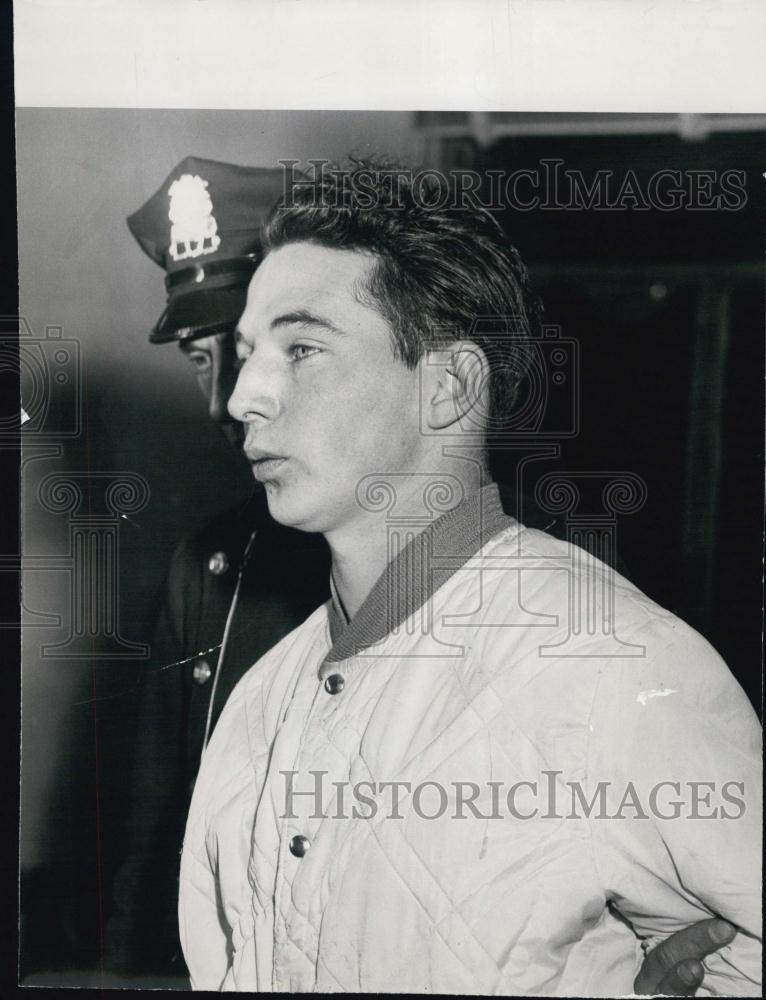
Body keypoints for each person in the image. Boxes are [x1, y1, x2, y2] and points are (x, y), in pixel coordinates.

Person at [178, 159, 761, 994]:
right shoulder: (259, 703)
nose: (244, 398)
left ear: (448, 387)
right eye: (246, 353)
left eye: (302, 348)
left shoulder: (620, 670)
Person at [105, 157, 330, 978]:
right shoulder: (210, 565)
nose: (224, 406)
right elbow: (155, 839)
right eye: (205, 361)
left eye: (249, 354)